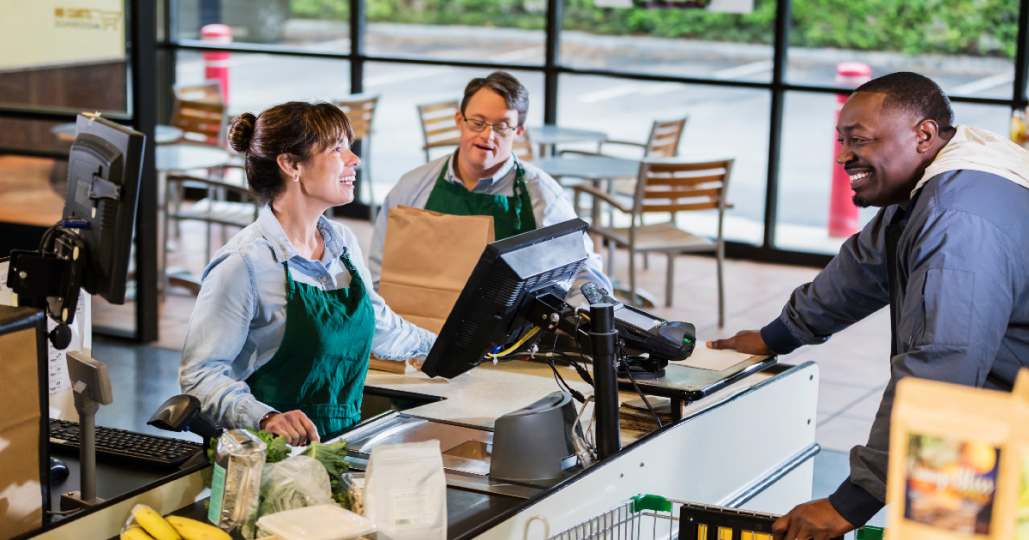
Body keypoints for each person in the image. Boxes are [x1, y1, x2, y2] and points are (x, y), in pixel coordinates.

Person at [708, 72, 1029, 539]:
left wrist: (850, 504)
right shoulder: (939, 178)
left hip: (1002, 424)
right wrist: (772, 338)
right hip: (979, 416)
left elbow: (941, 368)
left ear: (923, 134)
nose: (843, 156)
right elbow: (862, 269)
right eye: (841, 140)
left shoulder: (956, 219)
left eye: (858, 140)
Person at [179, 102, 435, 446]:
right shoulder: (244, 264)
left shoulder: (342, 243)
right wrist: (265, 417)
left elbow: (378, 323)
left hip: (340, 445)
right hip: (266, 459)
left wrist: (444, 347)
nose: (354, 159)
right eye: (337, 149)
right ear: (290, 165)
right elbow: (199, 377)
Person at [368, 71, 611, 303]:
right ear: (459, 120)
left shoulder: (544, 197)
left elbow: (584, 271)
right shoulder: (411, 188)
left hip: (511, 342)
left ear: (519, 132)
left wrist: (584, 315)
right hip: (418, 336)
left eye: (502, 126)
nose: (488, 135)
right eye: (477, 122)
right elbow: (381, 275)